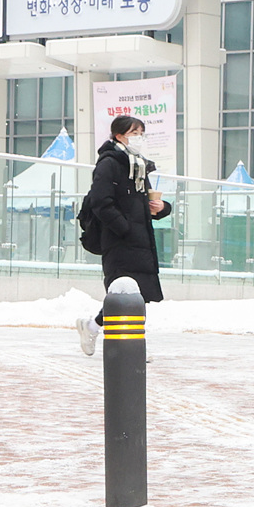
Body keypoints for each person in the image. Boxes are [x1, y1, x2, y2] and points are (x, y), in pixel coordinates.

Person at [77, 111, 174, 354]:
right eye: (134, 133)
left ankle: (104, 331)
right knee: (122, 293)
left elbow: (144, 204)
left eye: (141, 133)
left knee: (139, 295)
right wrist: (124, 228)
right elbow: (101, 202)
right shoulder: (110, 163)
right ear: (119, 136)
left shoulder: (138, 165)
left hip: (141, 241)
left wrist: (162, 208)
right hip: (118, 240)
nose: (139, 138)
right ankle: (123, 348)